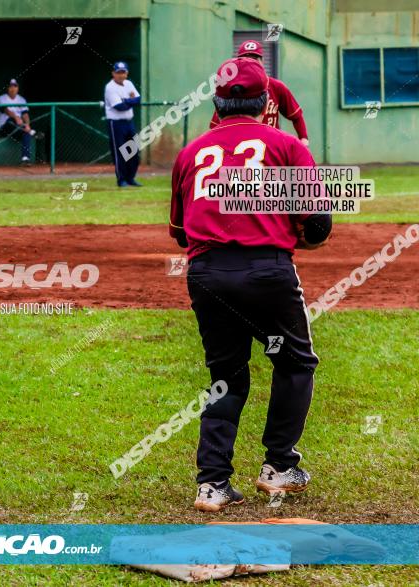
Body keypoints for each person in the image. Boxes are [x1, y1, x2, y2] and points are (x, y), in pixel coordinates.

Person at [169, 57, 332, 513]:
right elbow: (318, 225)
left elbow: (181, 232)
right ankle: (279, 466)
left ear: (216, 104)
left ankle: (212, 484)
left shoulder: (191, 153)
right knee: (295, 362)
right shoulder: (285, 146)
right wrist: (293, 230)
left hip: (207, 276)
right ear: (266, 103)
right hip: (267, 273)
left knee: (227, 377)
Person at [209, 40, 309, 147]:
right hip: (242, 145)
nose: (251, 62)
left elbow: (296, 115)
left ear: (262, 61)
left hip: (272, 144)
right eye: (246, 59)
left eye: (255, 58)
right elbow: (215, 126)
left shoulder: (277, 87)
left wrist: (303, 138)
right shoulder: (234, 89)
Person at [104, 61, 141, 187]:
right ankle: (121, 180)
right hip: (116, 124)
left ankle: (131, 178)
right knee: (120, 153)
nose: (121, 75)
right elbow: (119, 107)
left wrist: (127, 101)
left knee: (134, 151)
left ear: (127, 73)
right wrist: (130, 100)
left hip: (129, 122)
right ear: (113, 73)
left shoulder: (129, 84)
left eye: (123, 72)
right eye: (118, 72)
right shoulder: (110, 87)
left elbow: (138, 99)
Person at [0, 79, 42, 164]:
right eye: (11, 86)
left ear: (18, 88)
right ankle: (32, 133)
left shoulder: (21, 99)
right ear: (7, 88)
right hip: (4, 128)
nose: (13, 88)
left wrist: (27, 125)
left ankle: (25, 158)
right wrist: (16, 117)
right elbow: (6, 110)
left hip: (19, 128)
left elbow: (25, 115)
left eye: (15, 86)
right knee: (11, 120)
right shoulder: (1, 98)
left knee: (26, 132)